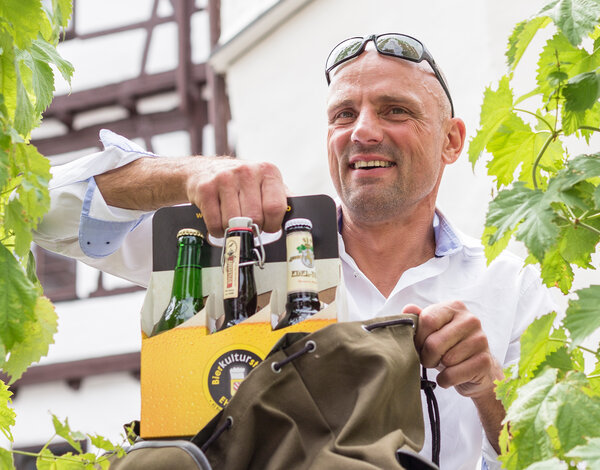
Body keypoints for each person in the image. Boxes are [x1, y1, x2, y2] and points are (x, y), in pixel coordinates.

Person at [34, 33, 555, 470]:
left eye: (396, 111)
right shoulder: (233, 249)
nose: (364, 132)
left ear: (451, 141)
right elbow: (44, 212)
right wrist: (187, 173)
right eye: (344, 114)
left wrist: (488, 387)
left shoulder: (511, 284)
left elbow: (549, 457)